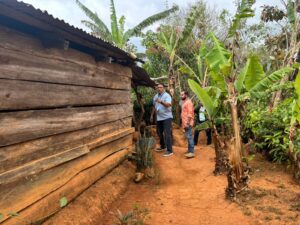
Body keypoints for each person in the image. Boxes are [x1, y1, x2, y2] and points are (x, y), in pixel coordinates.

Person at [150, 83, 173, 157]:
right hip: (159, 118)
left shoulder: (167, 95)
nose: (159, 88)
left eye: (160, 87)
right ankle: (163, 146)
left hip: (167, 117)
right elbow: (154, 106)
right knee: (159, 132)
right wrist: (151, 115)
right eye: (158, 87)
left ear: (163, 88)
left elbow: (169, 104)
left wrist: (161, 102)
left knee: (167, 133)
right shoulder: (156, 96)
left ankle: (169, 150)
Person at [180, 91, 195, 158]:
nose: (181, 96)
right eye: (181, 95)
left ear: (186, 95)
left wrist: (187, 122)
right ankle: (189, 150)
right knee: (188, 137)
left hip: (187, 123)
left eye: (182, 95)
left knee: (189, 137)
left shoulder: (188, 102)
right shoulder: (184, 102)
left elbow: (190, 113)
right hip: (185, 123)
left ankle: (191, 152)